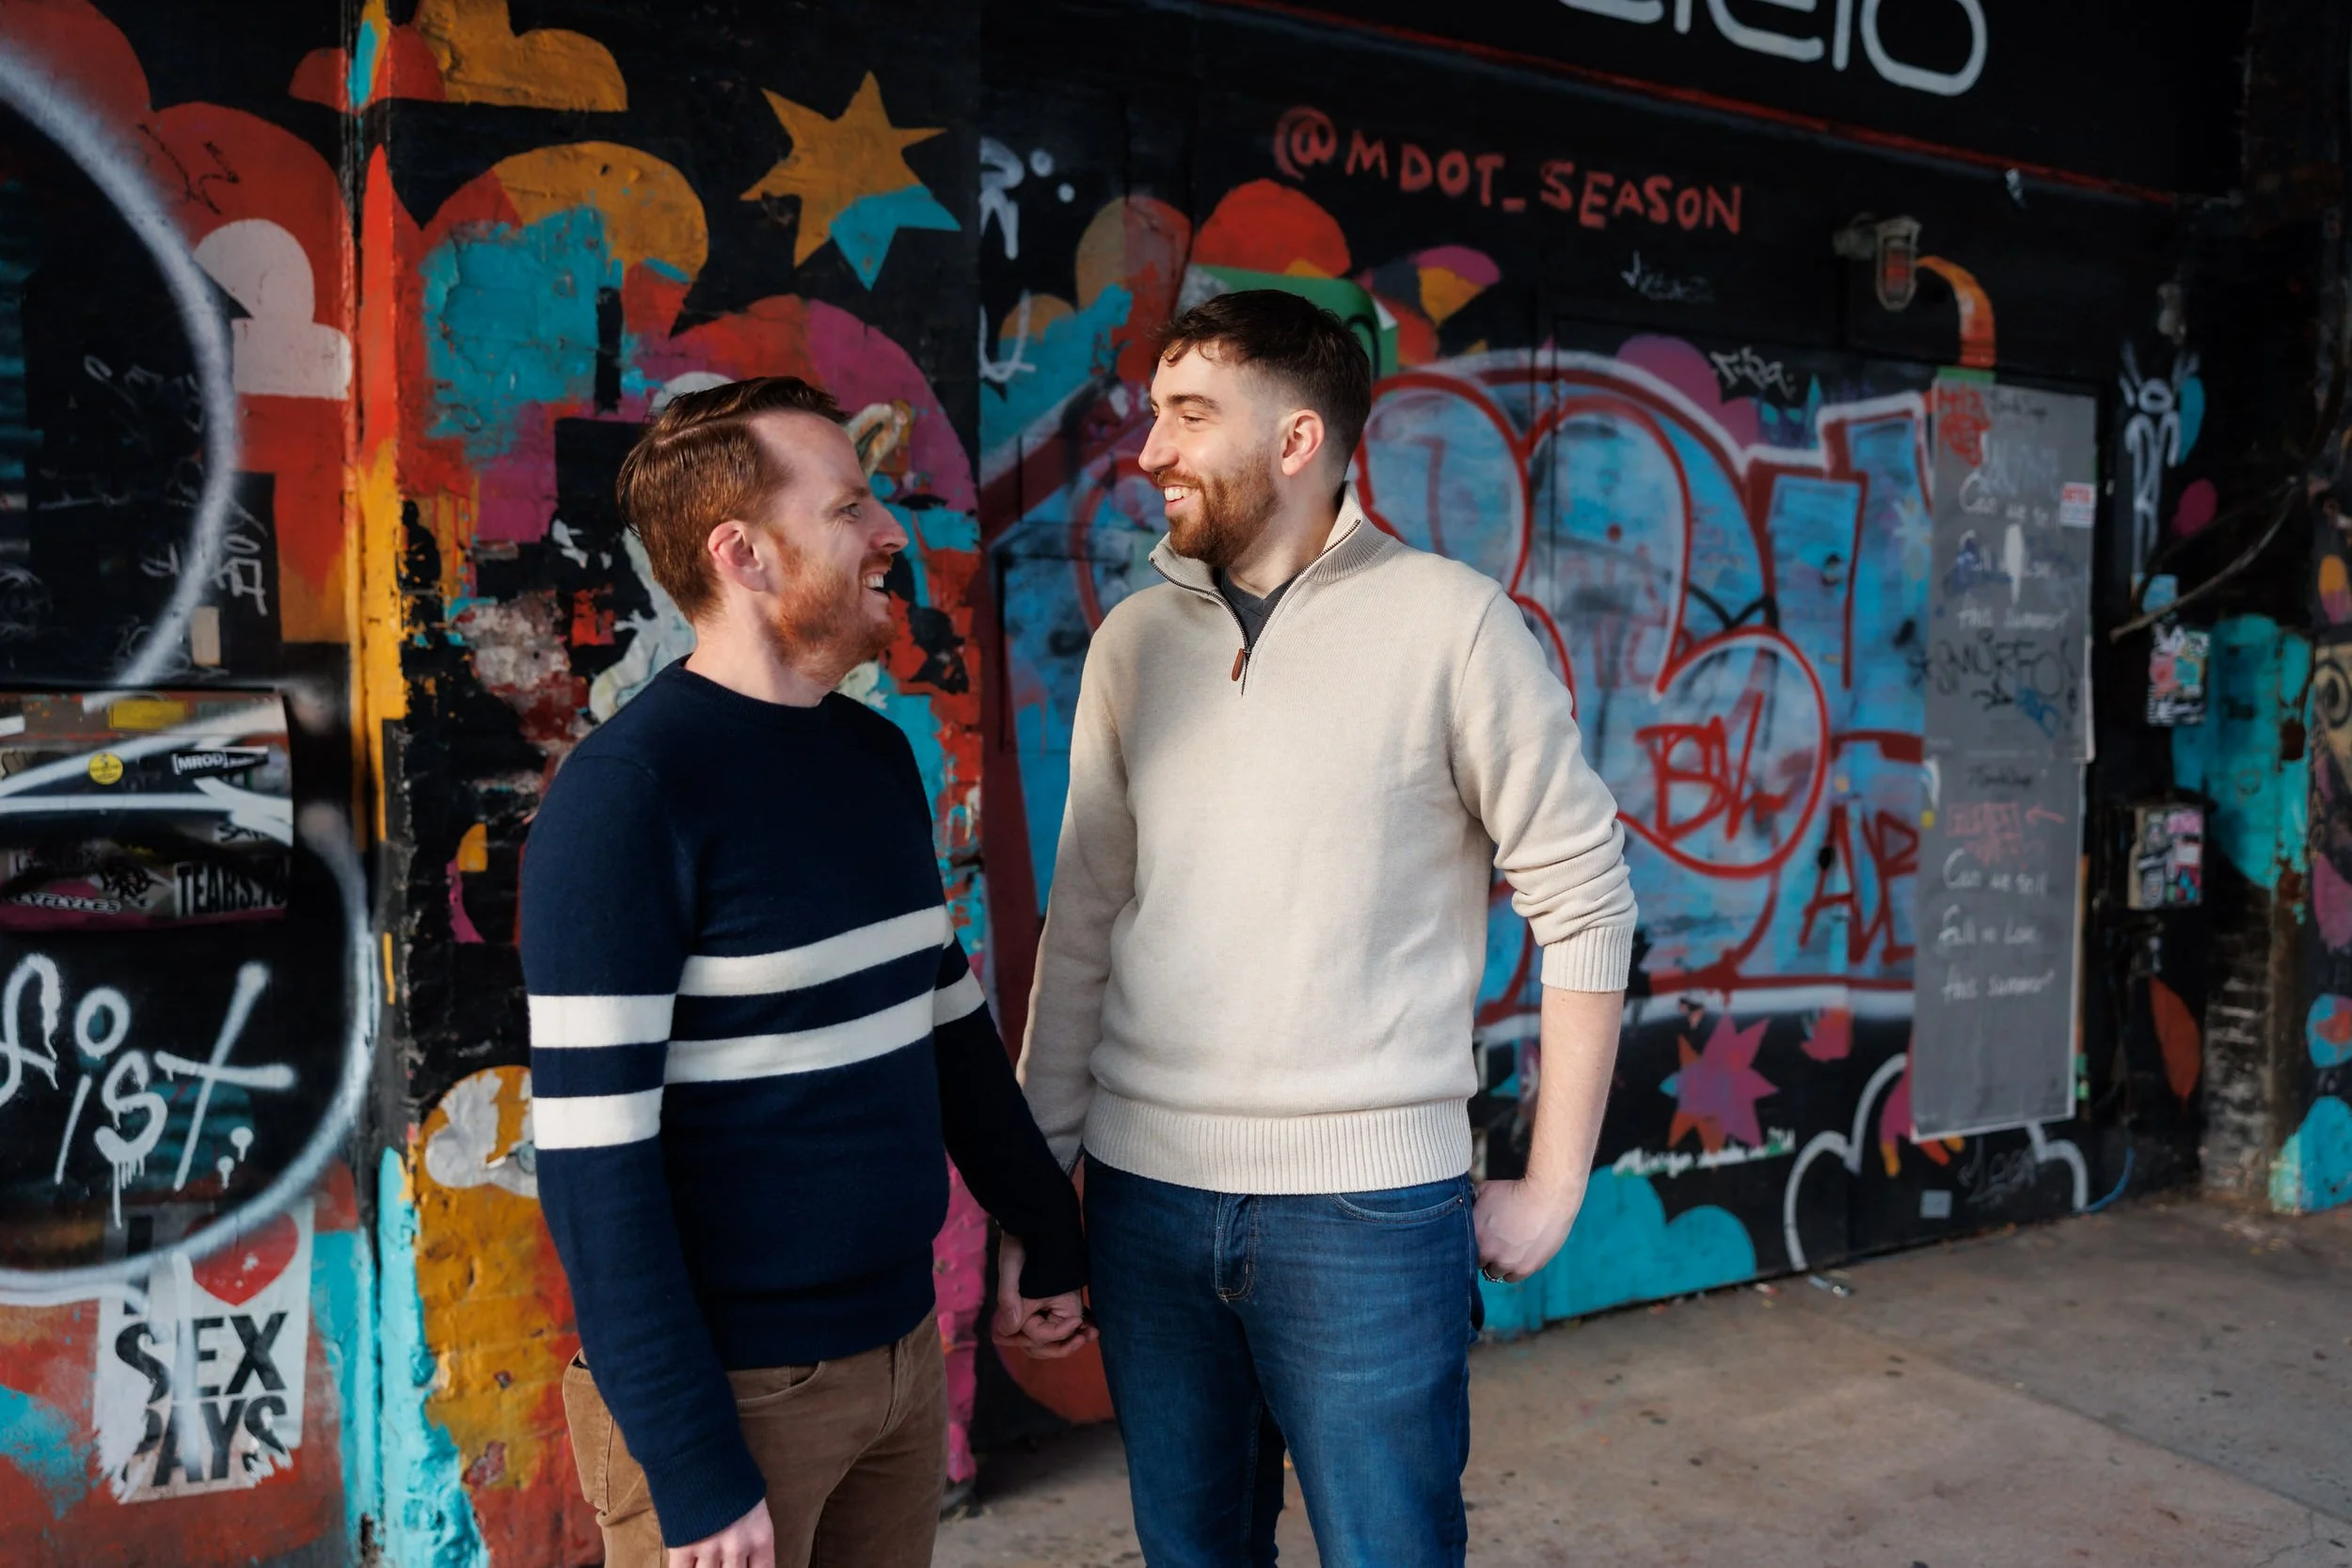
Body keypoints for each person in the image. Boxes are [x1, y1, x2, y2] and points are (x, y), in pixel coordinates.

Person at [1019, 291, 1637, 1567]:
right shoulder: (1134, 645)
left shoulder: (1454, 625)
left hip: (1366, 1213)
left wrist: (1557, 1177)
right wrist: (1041, 1193)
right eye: (1154, 414)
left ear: (1298, 440)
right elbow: (1083, 921)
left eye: (1191, 416)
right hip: (1143, 1200)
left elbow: (1585, 898)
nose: (1150, 452)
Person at [521, 376, 1091, 1568]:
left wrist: (1041, 1222)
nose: (891, 531)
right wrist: (688, 1459)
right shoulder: (629, 799)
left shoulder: (874, 757)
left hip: (901, 1359)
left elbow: (945, 1028)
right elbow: (595, 1167)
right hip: (740, 1396)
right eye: (850, 507)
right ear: (745, 554)